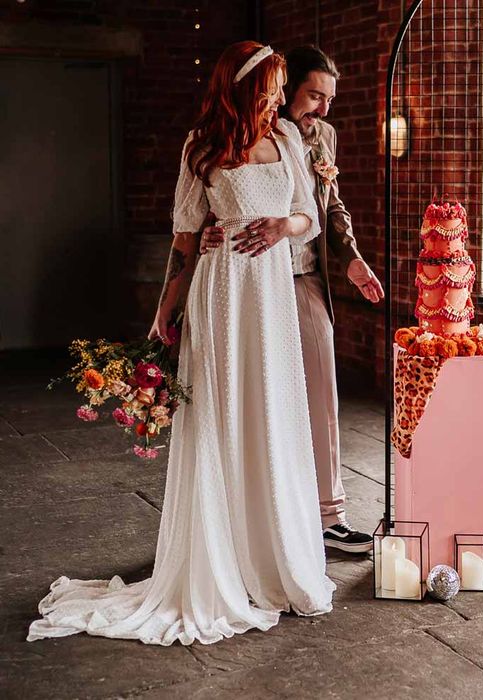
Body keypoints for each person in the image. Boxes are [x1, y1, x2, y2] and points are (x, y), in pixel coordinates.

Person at [28, 42, 335, 646]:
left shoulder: (290, 140)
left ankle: (273, 555)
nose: (279, 94)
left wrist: (282, 226)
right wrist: (162, 315)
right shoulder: (201, 148)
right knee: (222, 420)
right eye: (272, 84)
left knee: (271, 417)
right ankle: (221, 558)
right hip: (221, 298)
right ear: (245, 87)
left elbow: (310, 217)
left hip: (270, 299)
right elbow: (185, 242)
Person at [200, 46, 384, 554]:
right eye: (312, 95)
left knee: (321, 392)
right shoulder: (246, 133)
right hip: (244, 284)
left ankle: (328, 516)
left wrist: (350, 257)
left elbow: (331, 205)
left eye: (328, 99)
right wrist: (205, 237)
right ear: (283, 93)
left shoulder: (322, 138)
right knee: (249, 399)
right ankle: (248, 517)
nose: (321, 108)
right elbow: (206, 205)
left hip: (301, 280)